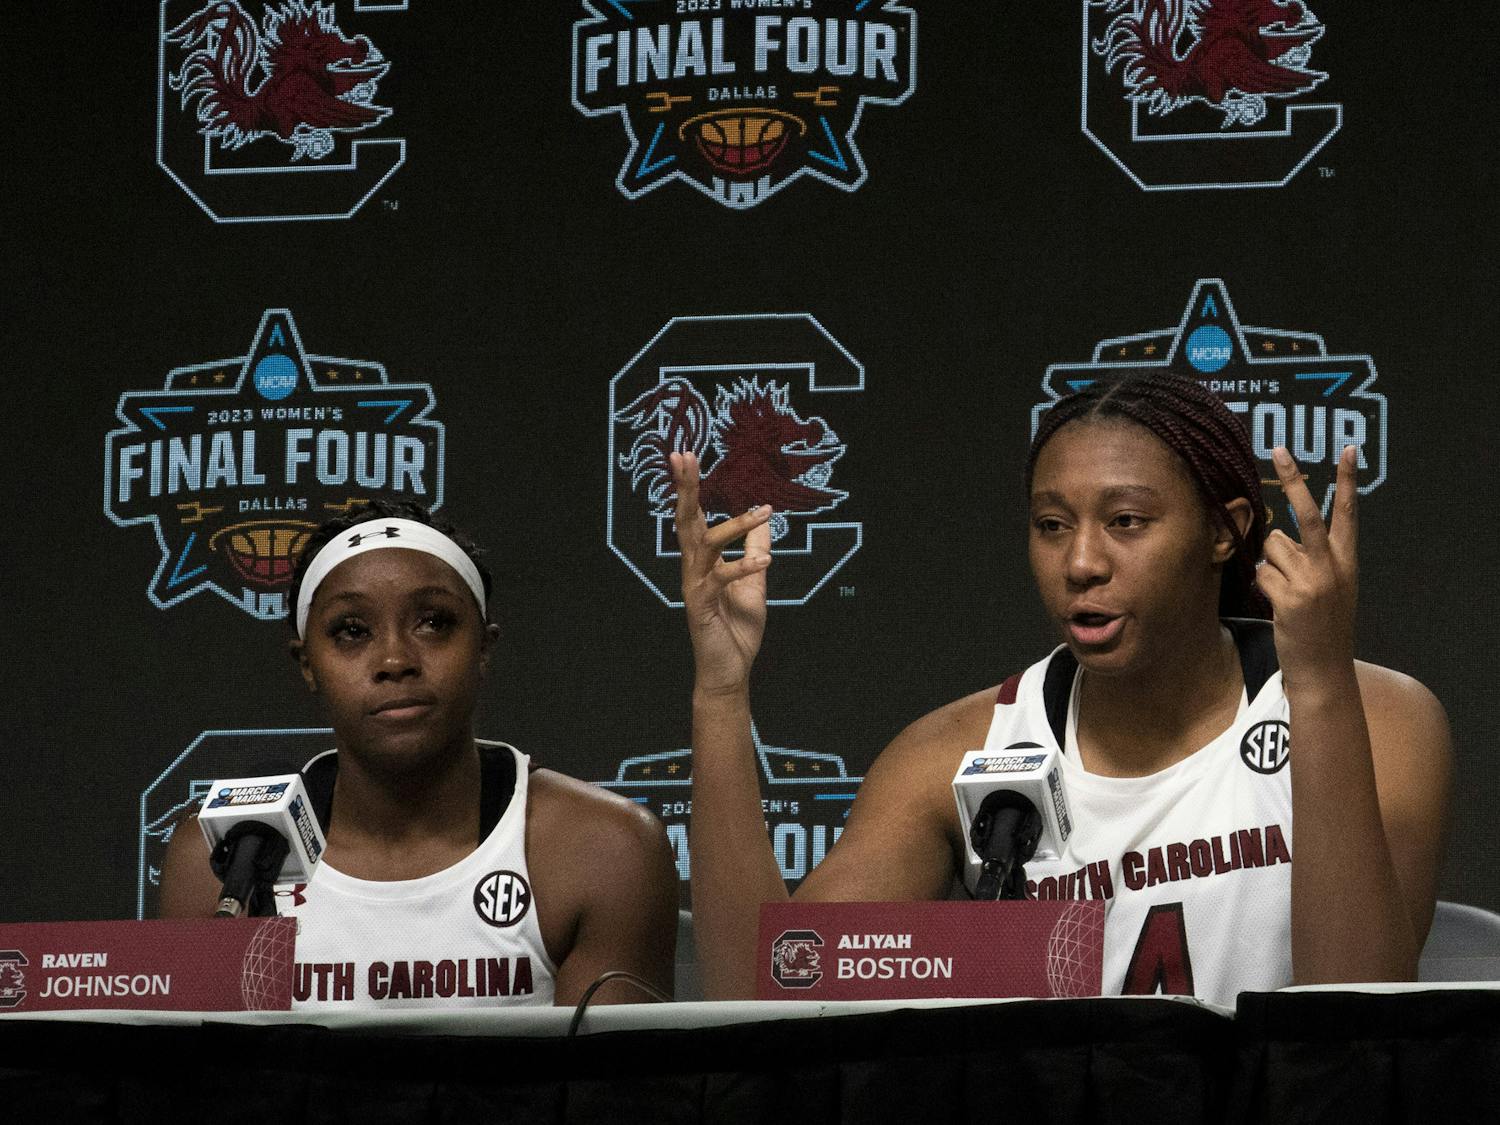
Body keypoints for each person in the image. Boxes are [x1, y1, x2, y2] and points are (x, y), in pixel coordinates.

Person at [673, 373, 1451, 1006]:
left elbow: (1355, 1027)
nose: (1081, 562)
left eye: (1127, 520)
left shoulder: (1382, 717)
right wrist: (721, 693)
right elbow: (770, 990)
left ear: (1225, 530)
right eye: (1051, 525)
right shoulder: (955, 752)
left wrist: (1318, 684)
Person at [159, 500, 678, 1009]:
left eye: (433, 622)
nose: (395, 659)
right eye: (352, 631)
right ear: (307, 663)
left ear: (484, 647)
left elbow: (604, 1070)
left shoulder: (600, 850)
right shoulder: (220, 861)